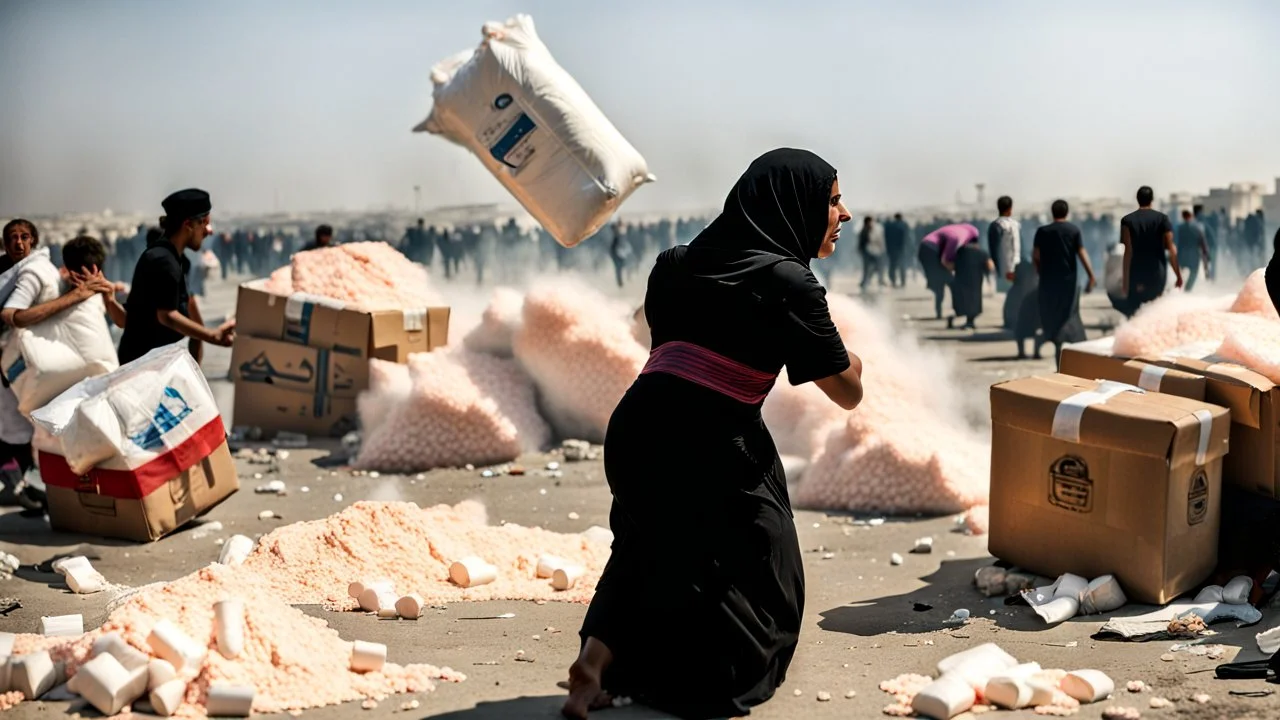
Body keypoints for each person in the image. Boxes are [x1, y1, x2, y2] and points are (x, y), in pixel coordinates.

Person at [563, 149, 863, 720]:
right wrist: (849, 353)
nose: (844, 214)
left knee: (644, 543)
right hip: (713, 435)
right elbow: (847, 391)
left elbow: (654, 335)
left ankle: (594, 665)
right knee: (767, 574)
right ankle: (708, 676)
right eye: (832, 200)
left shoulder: (673, 263)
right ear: (792, 206)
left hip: (637, 427)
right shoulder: (787, 280)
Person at [117, 189, 235, 365]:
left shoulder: (174, 258)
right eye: (204, 223)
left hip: (155, 362)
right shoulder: (163, 260)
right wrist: (212, 335)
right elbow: (167, 315)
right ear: (188, 224)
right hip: (144, 366)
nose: (208, 231)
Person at [0, 220, 45, 512]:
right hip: (6, 359)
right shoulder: (5, 274)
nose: (19, 243)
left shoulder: (35, 271)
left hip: (29, 360)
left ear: (34, 241)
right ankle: (16, 481)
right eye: (13, 238)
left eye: (24, 237)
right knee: (12, 425)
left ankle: (20, 483)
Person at [1034, 200, 1096, 365]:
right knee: (1069, 316)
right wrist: (1091, 276)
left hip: (1048, 284)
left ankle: (1056, 347)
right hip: (1068, 284)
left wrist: (1040, 273)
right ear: (1066, 213)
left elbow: (1036, 257)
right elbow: (1082, 254)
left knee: (1051, 317)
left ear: (1052, 213)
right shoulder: (1073, 230)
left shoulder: (1042, 232)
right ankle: (1071, 351)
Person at [1120, 186, 1179, 315]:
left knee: (1137, 312)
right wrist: (1178, 275)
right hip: (1157, 273)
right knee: (1156, 311)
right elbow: (1172, 250)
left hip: (1137, 274)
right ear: (1152, 200)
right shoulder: (1162, 219)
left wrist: (1125, 281)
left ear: (1137, 199)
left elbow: (1128, 252)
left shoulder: (1127, 221)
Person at [948, 238, 994, 330]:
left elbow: (951, 266)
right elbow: (990, 266)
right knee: (974, 305)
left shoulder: (959, 252)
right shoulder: (981, 253)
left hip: (961, 282)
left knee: (962, 305)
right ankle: (969, 322)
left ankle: (957, 319)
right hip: (975, 283)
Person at [988, 195, 1021, 296]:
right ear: (1010, 208)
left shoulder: (996, 225)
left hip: (1003, 267)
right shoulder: (1015, 225)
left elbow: (993, 248)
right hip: (1015, 266)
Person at [1175, 209, 1210, 291]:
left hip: (1182, 254)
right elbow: (1202, 242)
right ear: (1191, 216)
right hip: (1194, 255)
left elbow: (1175, 241)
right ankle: (1187, 289)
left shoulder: (1179, 228)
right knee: (1194, 272)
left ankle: (1179, 288)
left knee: (1181, 273)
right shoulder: (1197, 227)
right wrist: (1206, 254)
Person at [857, 216, 886, 292]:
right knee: (870, 267)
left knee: (870, 267)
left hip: (871, 252)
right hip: (868, 252)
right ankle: (866, 282)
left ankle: (866, 281)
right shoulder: (865, 230)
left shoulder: (866, 229)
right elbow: (865, 242)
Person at [884, 213, 909, 287]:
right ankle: (903, 282)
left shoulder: (890, 226)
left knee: (893, 266)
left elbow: (887, 238)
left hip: (892, 250)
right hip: (901, 249)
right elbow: (906, 239)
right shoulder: (904, 225)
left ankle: (893, 281)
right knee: (902, 266)